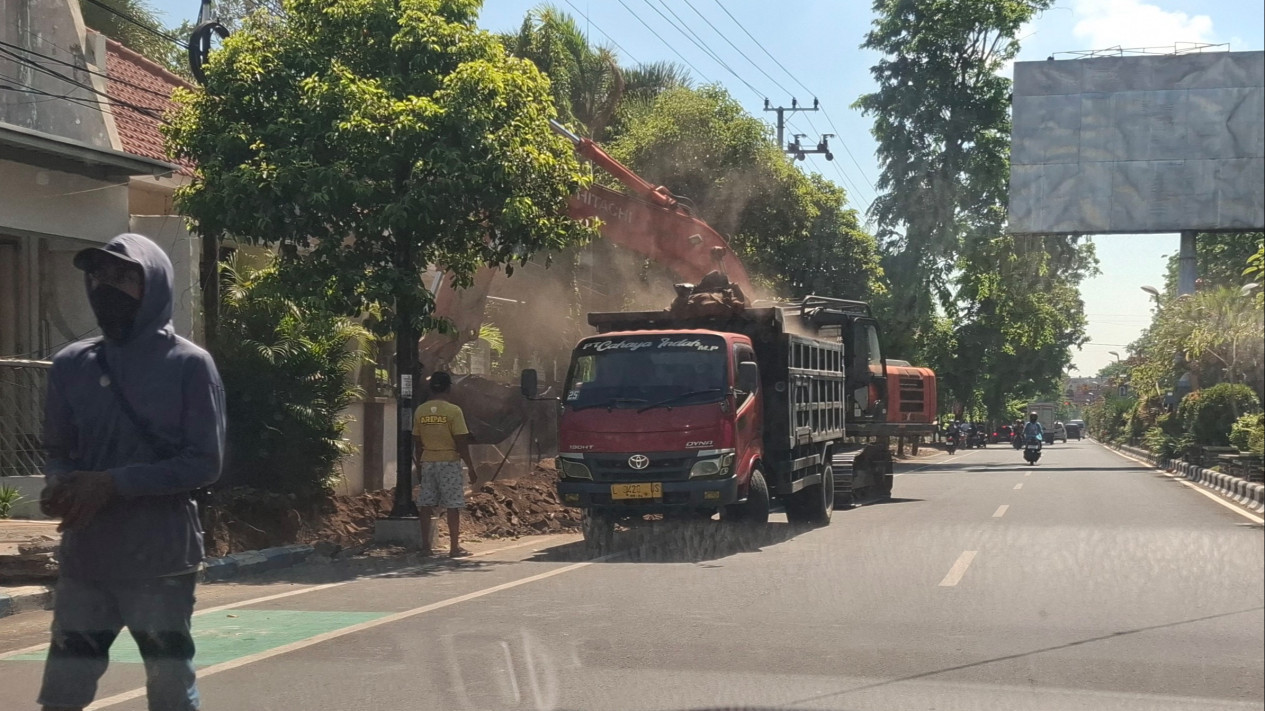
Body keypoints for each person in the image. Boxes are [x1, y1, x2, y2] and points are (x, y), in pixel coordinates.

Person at [37, 233, 225, 711]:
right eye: (98, 275)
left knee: (168, 690)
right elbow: (59, 449)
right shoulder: (70, 365)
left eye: (124, 276)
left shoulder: (189, 365)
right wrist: (58, 483)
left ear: (155, 284)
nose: (106, 286)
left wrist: (114, 482)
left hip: (160, 563)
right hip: (87, 560)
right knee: (63, 691)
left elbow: (205, 462)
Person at [413, 371, 479, 558]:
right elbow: (461, 443)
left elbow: (417, 443)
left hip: (428, 462)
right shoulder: (453, 411)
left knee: (426, 505)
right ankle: (454, 548)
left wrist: (419, 466)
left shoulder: (421, 411)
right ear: (448, 388)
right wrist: (471, 468)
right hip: (449, 462)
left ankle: (426, 547)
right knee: (452, 505)